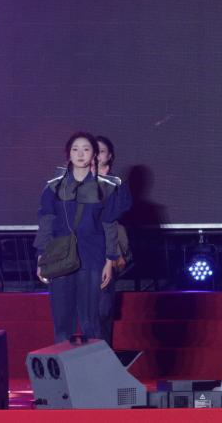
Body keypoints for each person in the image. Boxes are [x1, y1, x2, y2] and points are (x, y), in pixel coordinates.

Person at [34, 132, 120, 343]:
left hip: (92, 257)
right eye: (75, 149)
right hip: (60, 257)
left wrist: (109, 261)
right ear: (68, 154)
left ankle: (94, 364)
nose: (80, 154)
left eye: (86, 149)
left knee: (91, 321)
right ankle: (63, 363)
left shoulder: (105, 188)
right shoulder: (53, 187)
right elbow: (46, 222)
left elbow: (109, 225)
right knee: (62, 321)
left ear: (94, 155)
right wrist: (41, 258)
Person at [94, 135, 133, 346]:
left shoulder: (117, 184)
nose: (96, 155)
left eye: (101, 151)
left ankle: (101, 355)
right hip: (81, 251)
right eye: (93, 151)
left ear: (109, 156)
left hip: (106, 251)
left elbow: (119, 212)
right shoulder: (73, 183)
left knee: (103, 309)